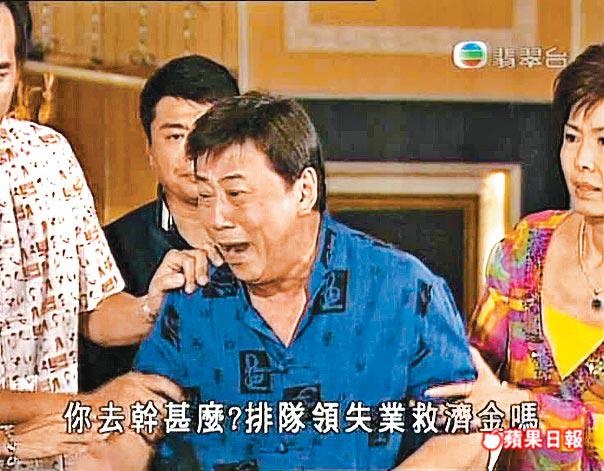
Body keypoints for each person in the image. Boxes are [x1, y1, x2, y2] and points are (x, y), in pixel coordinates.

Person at [90, 92, 477, 470]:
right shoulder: (193, 299)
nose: (216, 219)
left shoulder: (404, 291)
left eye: (236, 193)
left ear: (304, 191)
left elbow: (464, 431)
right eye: (205, 196)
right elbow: (137, 426)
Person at [0, 3, 183, 469]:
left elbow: (91, 312)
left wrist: (151, 308)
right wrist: (88, 407)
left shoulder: (49, 156)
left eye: (0, 72)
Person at [430, 43, 604, 470]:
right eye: (572, 137)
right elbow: (469, 380)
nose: (583, 161)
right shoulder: (529, 245)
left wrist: (524, 408)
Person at [80, 54, 239, 392]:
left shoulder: (272, 239)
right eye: (175, 136)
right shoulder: (107, 251)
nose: (192, 152)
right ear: (149, 150)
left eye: (208, 133)